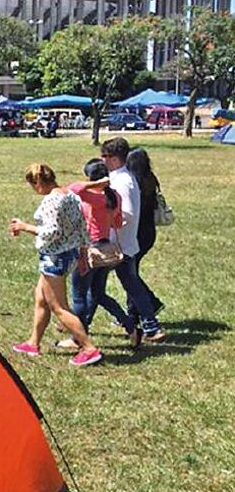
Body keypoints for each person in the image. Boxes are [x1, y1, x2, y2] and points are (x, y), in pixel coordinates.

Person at [9, 164, 102, 366]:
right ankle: (33, 343)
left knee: (59, 307)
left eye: (33, 185)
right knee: (40, 298)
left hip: (54, 258)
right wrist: (84, 252)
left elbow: (51, 232)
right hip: (69, 254)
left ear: (39, 182)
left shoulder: (52, 200)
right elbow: (82, 226)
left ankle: (88, 348)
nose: (35, 190)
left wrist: (24, 227)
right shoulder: (70, 195)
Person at [64, 160, 142, 349]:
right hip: (106, 250)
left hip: (89, 250)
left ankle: (79, 339)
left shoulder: (95, 197)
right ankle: (131, 327)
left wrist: (93, 185)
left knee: (79, 296)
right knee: (98, 294)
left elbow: (73, 188)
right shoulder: (114, 196)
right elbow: (118, 220)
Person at [102, 138, 165, 341]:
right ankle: (150, 326)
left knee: (90, 288)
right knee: (132, 284)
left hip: (117, 243)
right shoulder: (127, 178)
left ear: (113, 158)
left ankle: (78, 330)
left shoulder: (121, 181)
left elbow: (126, 213)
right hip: (126, 242)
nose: (102, 161)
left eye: (104, 157)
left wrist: (105, 222)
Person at [126, 148, 164, 323]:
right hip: (148, 232)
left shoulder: (133, 182)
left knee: (129, 274)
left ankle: (148, 304)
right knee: (131, 272)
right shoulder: (151, 179)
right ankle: (134, 313)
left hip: (136, 233)